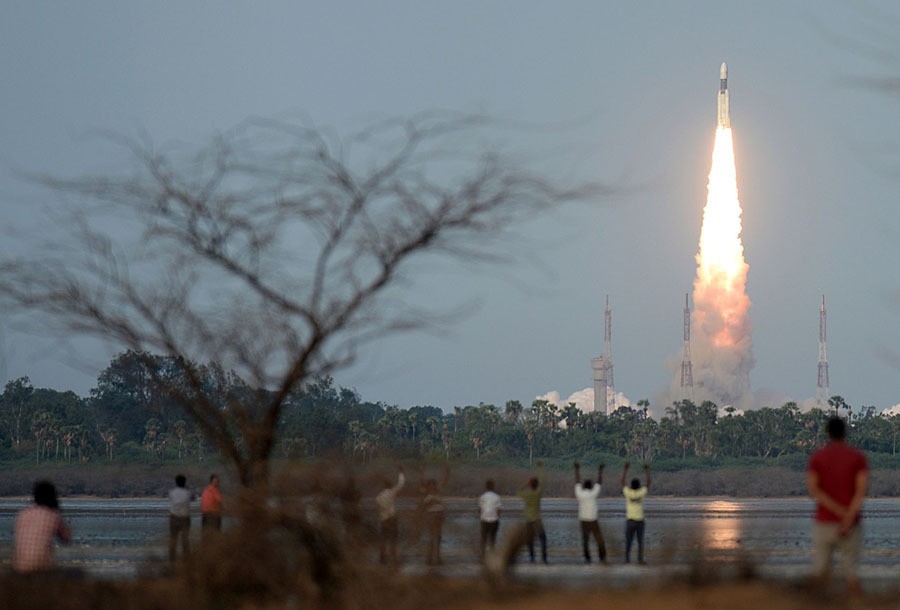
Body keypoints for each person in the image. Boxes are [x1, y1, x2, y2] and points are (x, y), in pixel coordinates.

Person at [807, 416, 868, 595]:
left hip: (824, 522)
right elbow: (861, 491)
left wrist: (836, 510)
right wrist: (847, 516)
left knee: (821, 572)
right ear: (845, 432)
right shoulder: (857, 457)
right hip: (851, 524)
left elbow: (814, 489)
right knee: (851, 573)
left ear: (828, 433)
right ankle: (857, 604)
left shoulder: (818, 458)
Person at [13, 480, 72, 573]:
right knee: (75, 573)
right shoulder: (53, 515)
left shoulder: (23, 514)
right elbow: (66, 538)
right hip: (43, 568)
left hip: (20, 568)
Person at [574, 462, 607, 564]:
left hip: (584, 521)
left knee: (585, 541)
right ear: (591, 486)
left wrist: (577, 470)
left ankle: (587, 558)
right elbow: (599, 482)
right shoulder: (593, 494)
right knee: (599, 540)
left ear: (584, 486)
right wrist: (600, 470)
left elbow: (577, 482)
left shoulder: (580, 494)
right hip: (593, 520)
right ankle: (602, 557)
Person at [517, 459, 547, 564]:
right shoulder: (537, 493)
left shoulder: (527, 495)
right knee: (542, 539)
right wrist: (540, 468)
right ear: (537, 485)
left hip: (529, 519)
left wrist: (526, 483)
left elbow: (519, 491)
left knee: (530, 540)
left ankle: (532, 558)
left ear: (530, 485)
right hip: (537, 519)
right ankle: (544, 558)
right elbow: (543, 480)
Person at [419, 465, 450, 565]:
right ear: (429, 486)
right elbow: (423, 481)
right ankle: (431, 558)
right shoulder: (428, 492)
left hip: (438, 516)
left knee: (438, 537)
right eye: (431, 484)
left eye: (433, 484)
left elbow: (443, 481)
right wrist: (421, 472)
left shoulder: (436, 491)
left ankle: (436, 558)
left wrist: (447, 473)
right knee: (433, 537)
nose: (432, 486)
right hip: (433, 516)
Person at [620, 461, 650, 564]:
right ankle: (640, 560)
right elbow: (648, 483)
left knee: (629, 541)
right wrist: (646, 470)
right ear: (639, 486)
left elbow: (622, 482)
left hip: (630, 521)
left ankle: (627, 559)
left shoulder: (628, 493)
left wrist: (625, 469)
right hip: (640, 521)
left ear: (631, 486)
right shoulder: (641, 493)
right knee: (640, 542)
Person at [375, 465, 405, 566]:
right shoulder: (392, 492)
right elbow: (401, 484)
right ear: (390, 486)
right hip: (391, 519)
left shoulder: (379, 497)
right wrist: (401, 472)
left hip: (383, 520)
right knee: (393, 540)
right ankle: (394, 559)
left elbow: (378, 509)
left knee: (383, 539)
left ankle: (382, 558)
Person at [168, 474, 192, 562]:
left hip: (174, 518)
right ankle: (187, 559)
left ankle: (172, 559)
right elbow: (192, 498)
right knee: (185, 540)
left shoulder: (172, 492)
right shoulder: (187, 493)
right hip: (185, 518)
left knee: (173, 539)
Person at [478, 479, 502, 559]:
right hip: (494, 519)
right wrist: (497, 518)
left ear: (486, 487)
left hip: (484, 519)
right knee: (492, 538)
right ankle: (492, 554)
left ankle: (482, 555)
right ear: (493, 487)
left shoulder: (482, 497)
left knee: (483, 538)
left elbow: (479, 509)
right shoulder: (497, 497)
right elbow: (498, 510)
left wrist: (482, 516)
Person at [200, 474, 223, 539]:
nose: (217, 483)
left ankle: (206, 548)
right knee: (215, 535)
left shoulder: (205, 490)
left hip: (206, 515)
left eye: (217, 481)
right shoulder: (215, 490)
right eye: (216, 481)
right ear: (211, 481)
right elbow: (220, 501)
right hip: (213, 515)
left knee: (206, 536)